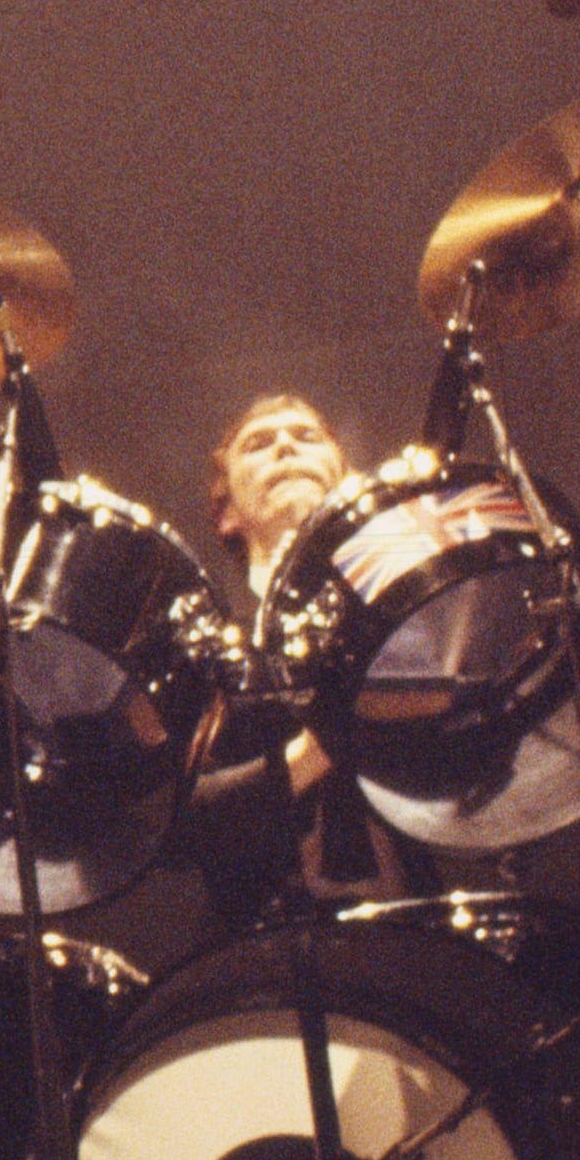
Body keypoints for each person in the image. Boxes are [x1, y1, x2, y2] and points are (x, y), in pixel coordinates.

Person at [179, 390, 402, 927]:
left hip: (416, 933)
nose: (284, 446)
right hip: (259, 956)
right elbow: (176, 830)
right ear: (226, 512)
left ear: (345, 483)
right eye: (259, 444)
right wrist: (323, 743)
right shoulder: (199, 641)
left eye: (306, 437)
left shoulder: (402, 619)